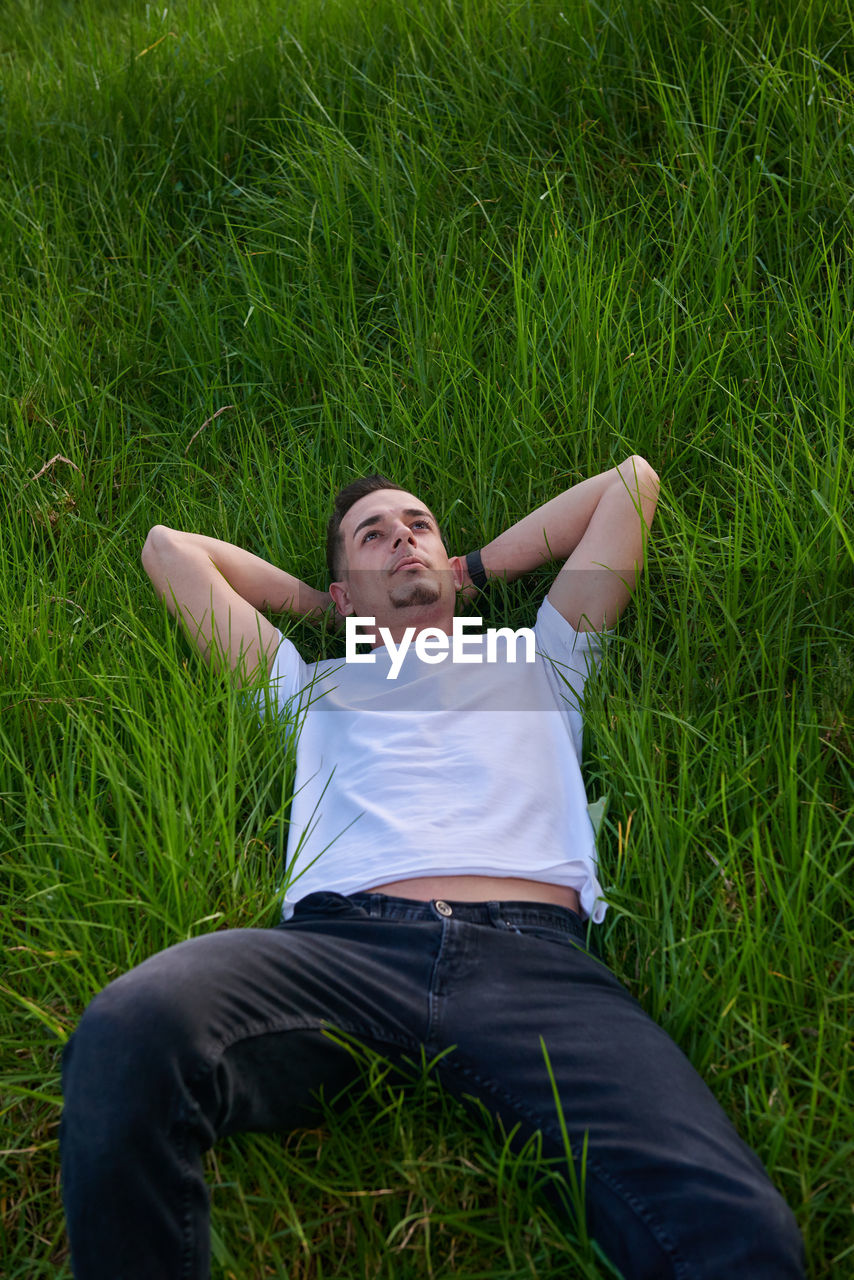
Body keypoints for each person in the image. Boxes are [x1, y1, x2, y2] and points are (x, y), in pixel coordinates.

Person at [60, 458, 805, 1279]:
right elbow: (169, 550)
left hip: (534, 965)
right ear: (343, 596)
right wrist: (329, 608)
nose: (402, 538)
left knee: (741, 1237)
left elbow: (631, 484)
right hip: (340, 953)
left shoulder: (545, 656)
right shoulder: (306, 686)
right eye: (371, 537)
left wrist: (470, 570)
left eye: (417, 525)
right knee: (129, 1031)